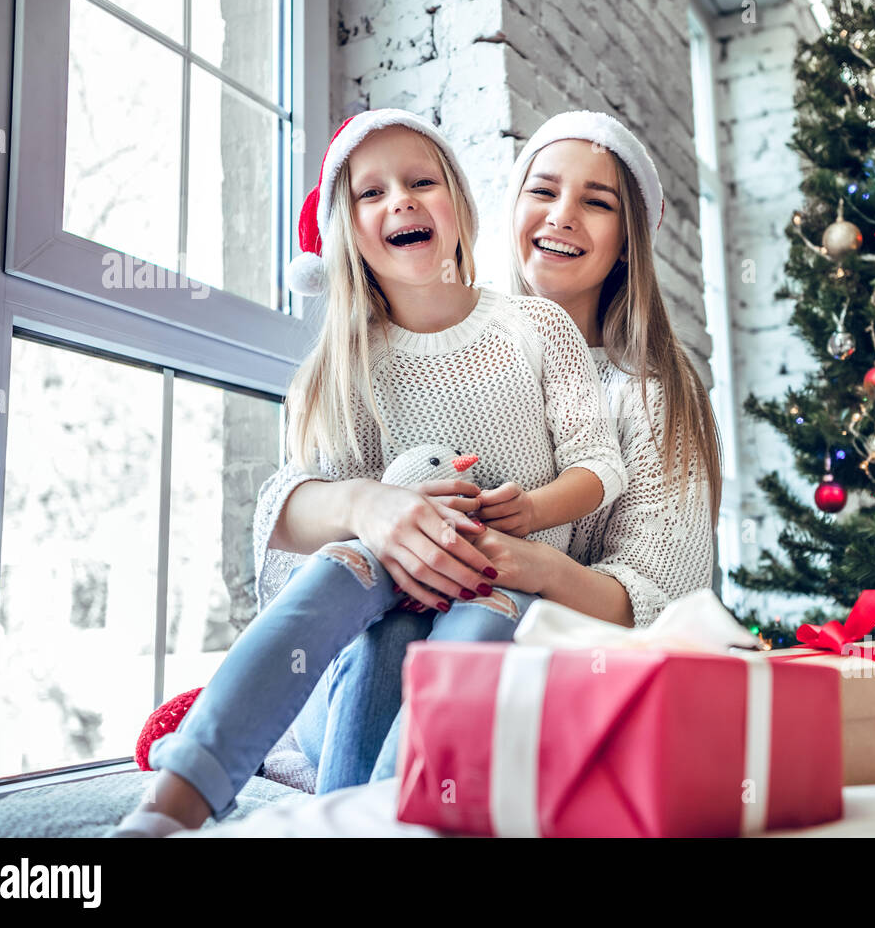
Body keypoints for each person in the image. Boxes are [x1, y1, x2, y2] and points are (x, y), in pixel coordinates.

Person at [111, 108, 626, 836]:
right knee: (349, 565)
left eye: (422, 182)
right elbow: (287, 506)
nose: (402, 202)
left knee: (443, 648)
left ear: (459, 204)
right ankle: (176, 796)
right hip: (391, 581)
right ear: (347, 230)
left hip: (501, 581)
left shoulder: (536, 327)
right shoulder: (347, 365)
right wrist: (381, 508)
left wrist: (533, 513)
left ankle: (380, 814)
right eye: (371, 193)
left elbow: (600, 466)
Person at [296, 110, 724, 790]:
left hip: (550, 660)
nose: (562, 215)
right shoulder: (434, 345)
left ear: (627, 243)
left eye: (597, 202)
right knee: (387, 641)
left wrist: (523, 564)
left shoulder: (650, 394)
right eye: (543, 191)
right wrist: (374, 509)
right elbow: (296, 501)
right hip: (406, 634)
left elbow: (665, 598)